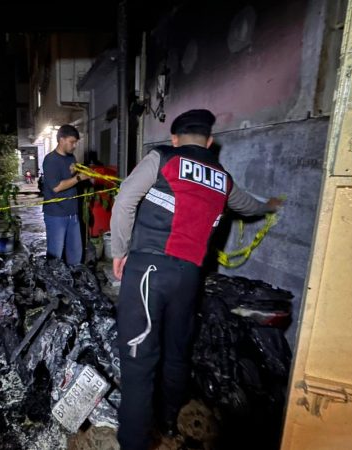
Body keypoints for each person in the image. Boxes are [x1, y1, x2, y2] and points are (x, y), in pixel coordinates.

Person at [110, 109, 283, 449]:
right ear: (209, 141)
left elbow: (125, 200)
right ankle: (169, 423)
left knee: (138, 362)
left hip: (148, 272)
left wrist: (119, 250)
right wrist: (271, 205)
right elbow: (249, 206)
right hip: (189, 277)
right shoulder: (223, 177)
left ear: (174, 139)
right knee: (176, 353)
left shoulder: (163, 158)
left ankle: (134, 442)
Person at [41, 124, 90, 265]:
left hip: (72, 213)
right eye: (72, 142)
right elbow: (56, 187)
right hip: (56, 214)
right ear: (61, 140)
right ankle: (52, 278)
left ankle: (74, 276)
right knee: (55, 254)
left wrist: (76, 170)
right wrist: (79, 177)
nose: (74, 146)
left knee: (75, 253)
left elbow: (70, 175)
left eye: (76, 142)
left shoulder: (71, 157)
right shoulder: (50, 160)